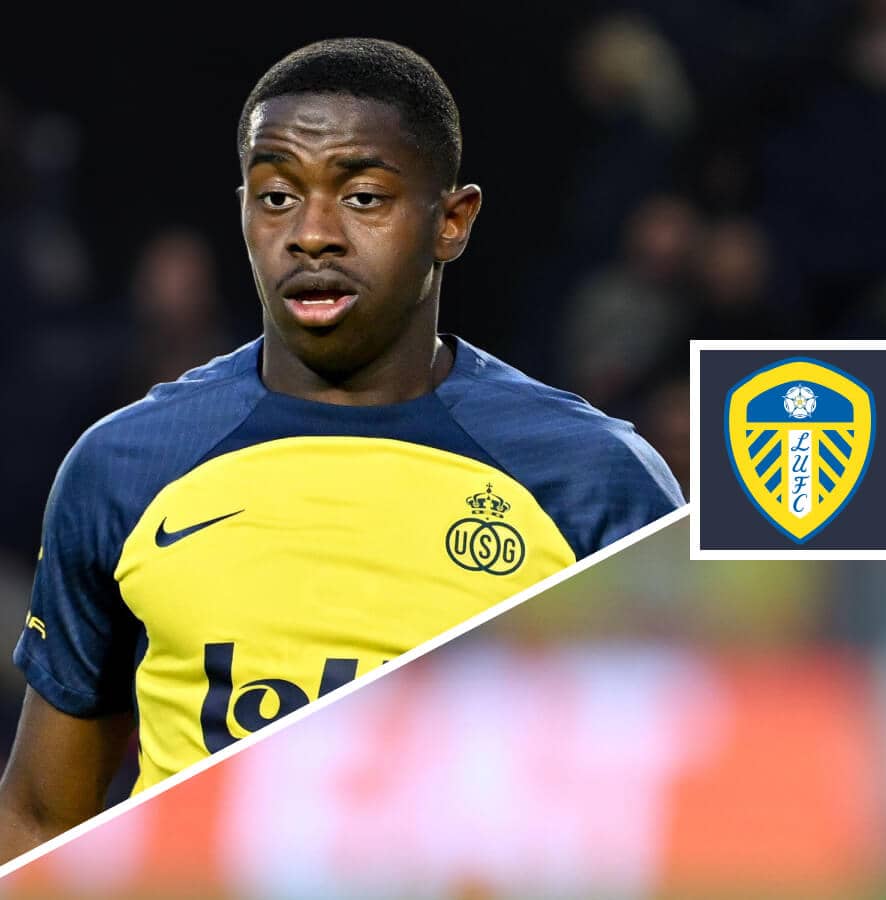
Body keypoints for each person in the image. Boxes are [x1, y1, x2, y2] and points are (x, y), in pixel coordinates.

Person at [0, 38, 683, 858]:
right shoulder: (125, 467)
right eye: (278, 196)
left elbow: (687, 802)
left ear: (453, 221)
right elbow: (41, 816)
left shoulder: (592, 477)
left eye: (362, 197)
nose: (311, 234)